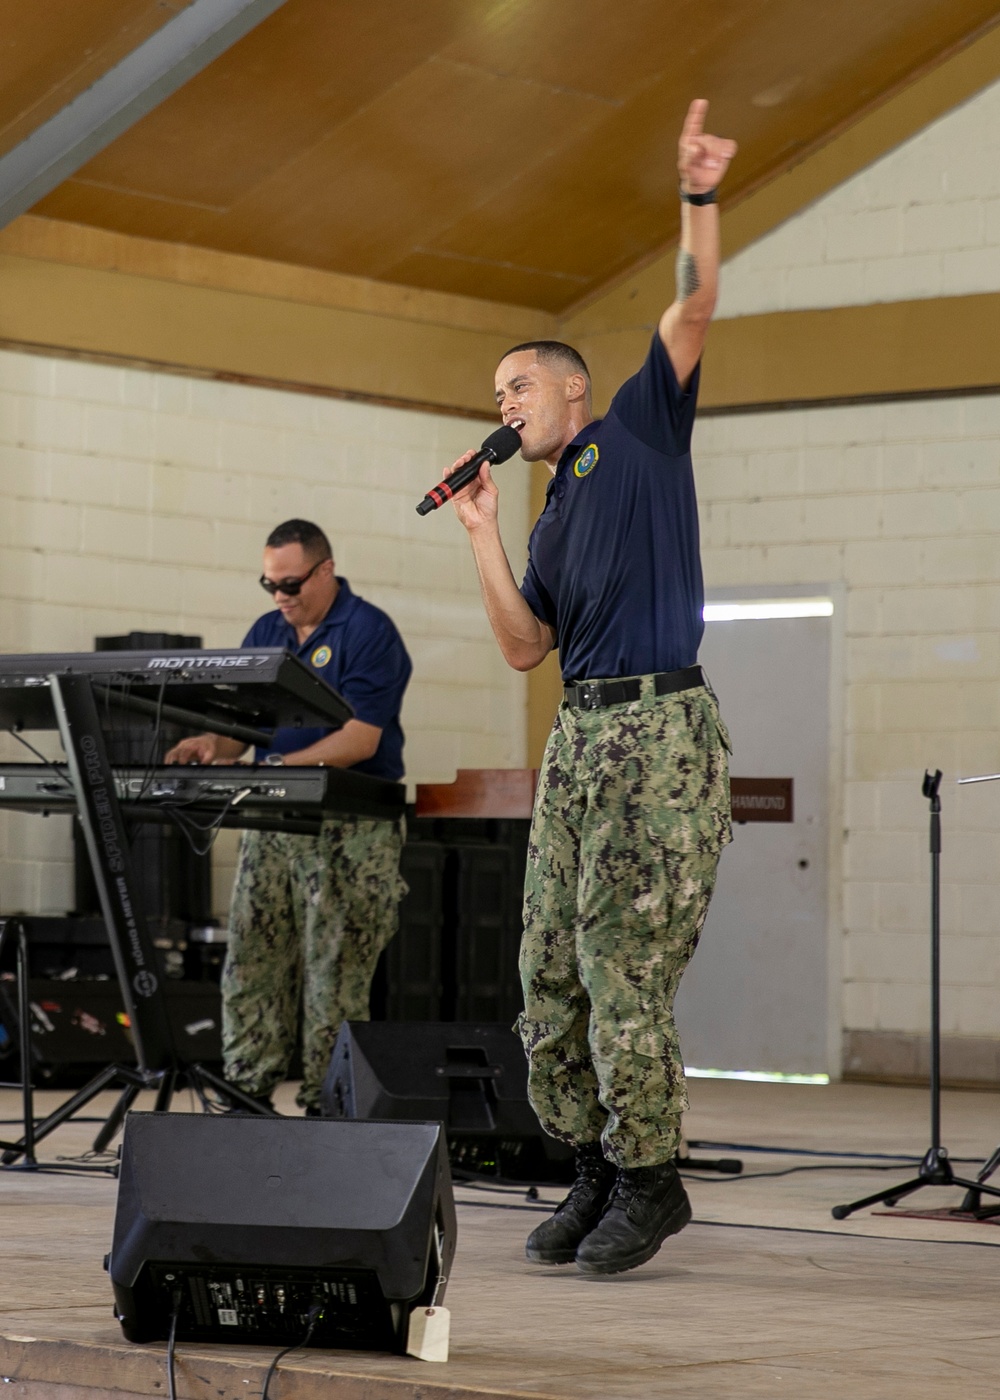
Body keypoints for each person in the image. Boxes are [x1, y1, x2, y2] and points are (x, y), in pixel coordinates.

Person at [444, 100, 737, 1275]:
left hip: (659, 732)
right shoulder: (553, 508)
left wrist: (698, 196)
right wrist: (479, 532)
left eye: (517, 385)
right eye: (496, 390)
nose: (502, 402)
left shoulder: (639, 431)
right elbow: (525, 647)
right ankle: (596, 1162)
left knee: (624, 962)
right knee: (548, 970)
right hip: (579, 735)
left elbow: (695, 302)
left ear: (570, 393)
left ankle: (652, 1176)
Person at [166, 519, 411, 1114]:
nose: (280, 595)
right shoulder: (266, 630)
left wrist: (277, 765)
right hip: (272, 821)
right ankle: (245, 1088)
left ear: (326, 570)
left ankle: (327, 1102)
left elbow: (359, 738)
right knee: (252, 954)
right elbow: (243, 730)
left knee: (334, 971)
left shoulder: (370, 631)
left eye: (292, 582)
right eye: (269, 583)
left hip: (351, 825)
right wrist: (210, 746)